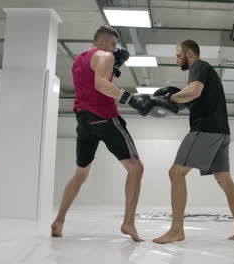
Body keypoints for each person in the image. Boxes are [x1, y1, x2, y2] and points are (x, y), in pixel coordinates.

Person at [51, 25, 146, 242]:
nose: (115, 49)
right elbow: (101, 84)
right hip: (104, 117)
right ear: (102, 42)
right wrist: (131, 98)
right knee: (136, 167)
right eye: (113, 44)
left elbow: (92, 81)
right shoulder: (105, 55)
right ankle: (128, 222)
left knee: (81, 174)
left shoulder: (78, 60)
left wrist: (114, 67)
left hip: (83, 120)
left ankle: (59, 221)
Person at [152, 39, 234, 244]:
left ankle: (176, 230)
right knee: (224, 179)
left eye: (178, 55)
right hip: (222, 132)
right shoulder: (205, 73)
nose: (176, 59)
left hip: (206, 130)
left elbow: (193, 92)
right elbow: (195, 97)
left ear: (189, 53)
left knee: (175, 172)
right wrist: (177, 99)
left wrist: (169, 99)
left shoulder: (198, 66)